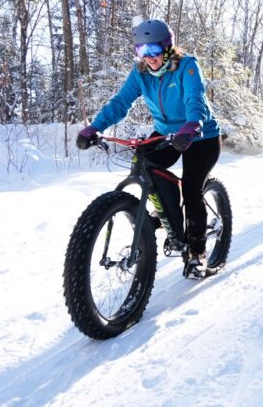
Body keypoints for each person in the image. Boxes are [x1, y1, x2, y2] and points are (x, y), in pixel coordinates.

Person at [76, 18, 220, 274]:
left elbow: (194, 99)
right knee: (143, 161)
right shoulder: (141, 73)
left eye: (154, 50)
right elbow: (121, 102)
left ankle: (197, 252)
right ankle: (167, 216)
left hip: (200, 136)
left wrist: (191, 126)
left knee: (191, 187)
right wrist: (95, 128)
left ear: (167, 48)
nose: (149, 57)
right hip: (166, 134)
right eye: (142, 51)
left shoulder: (186, 66)